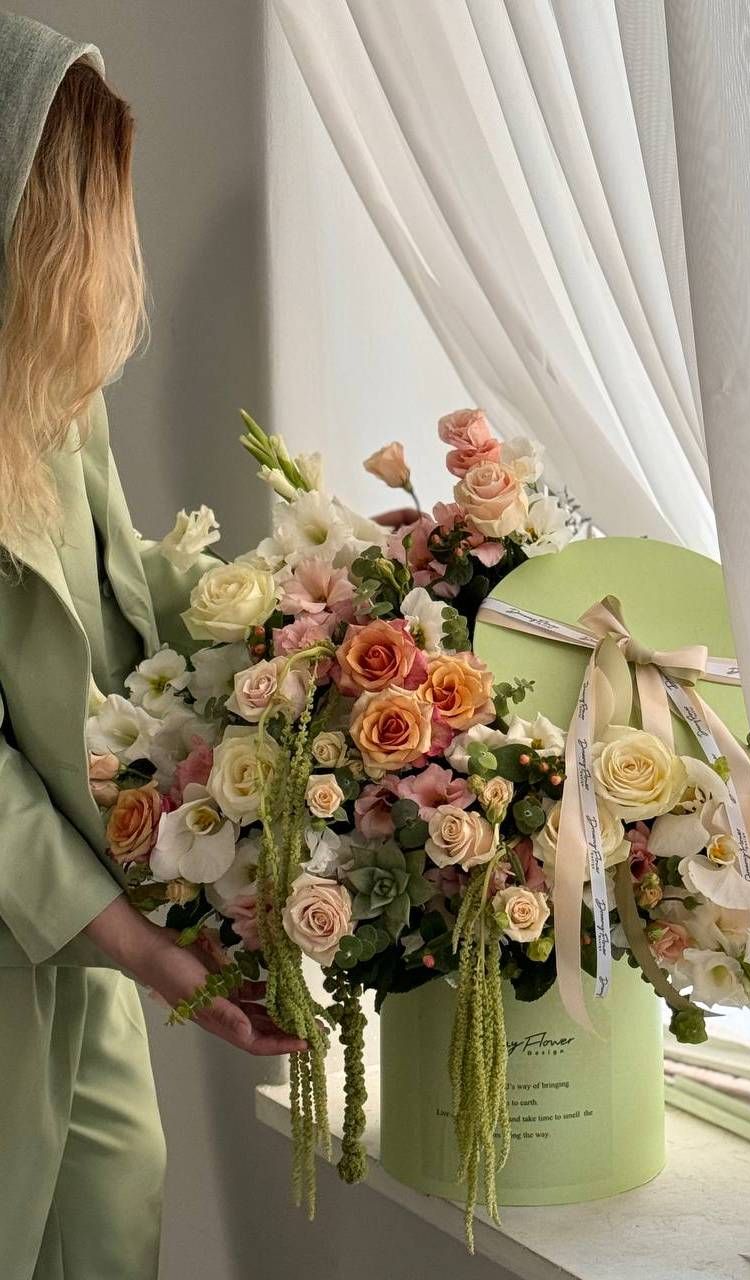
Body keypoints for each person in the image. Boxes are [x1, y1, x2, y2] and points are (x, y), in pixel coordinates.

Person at [0, 15, 306, 1280]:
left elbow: (116, 582)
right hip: (42, 910)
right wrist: (140, 945)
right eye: (83, 206)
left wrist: (300, 615)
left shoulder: (46, 390)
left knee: (114, 1206)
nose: (108, 243)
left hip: (77, 929)